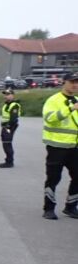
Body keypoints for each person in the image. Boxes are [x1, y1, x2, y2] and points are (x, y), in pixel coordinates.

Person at [40, 71, 78, 220]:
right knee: (53, 178)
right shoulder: (53, 100)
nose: (75, 85)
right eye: (72, 81)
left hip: (74, 146)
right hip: (57, 146)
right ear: (64, 82)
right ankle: (48, 208)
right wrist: (69, 109)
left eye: (77, 82)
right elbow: (50, 118)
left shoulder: (76, 100)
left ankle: (71, 206)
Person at [0, 88, 22, 168]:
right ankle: (8, 160)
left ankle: (9, 162)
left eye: (8, 94)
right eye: (5, 94)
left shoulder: (14, 105)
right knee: (5, 143)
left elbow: (13, 118)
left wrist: (8, 126)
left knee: (7, 143)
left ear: (13, 95)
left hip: (10, 126)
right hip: (5, 126)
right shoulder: (6, 104)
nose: (6, 96)